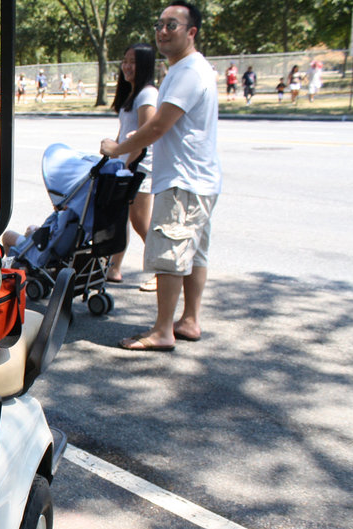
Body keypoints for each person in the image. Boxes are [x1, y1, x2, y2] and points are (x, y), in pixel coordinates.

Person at [100, 1, 221, 351]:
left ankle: (163, 330)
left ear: (191, 32)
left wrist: (117, 149)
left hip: (183, 180)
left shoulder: (187, 72)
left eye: (173, 25)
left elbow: (156, 127)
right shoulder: (192, 68)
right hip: (201, 179)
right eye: (160, 24)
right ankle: (190, 320)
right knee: (194, 254)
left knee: (170, 255)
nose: (163, 31)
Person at [105, 43, 158, 291]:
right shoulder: (133, 93)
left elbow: (144, 136)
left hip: (140, 169)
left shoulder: (147, 94)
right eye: (125, 61)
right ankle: (114, 267)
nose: (127, 66)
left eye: (133, 62)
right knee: (121, 218)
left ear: (145, 65)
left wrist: (127, 165)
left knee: (140, 222)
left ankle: (161, 270)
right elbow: (125, 133)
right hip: (125, 166)